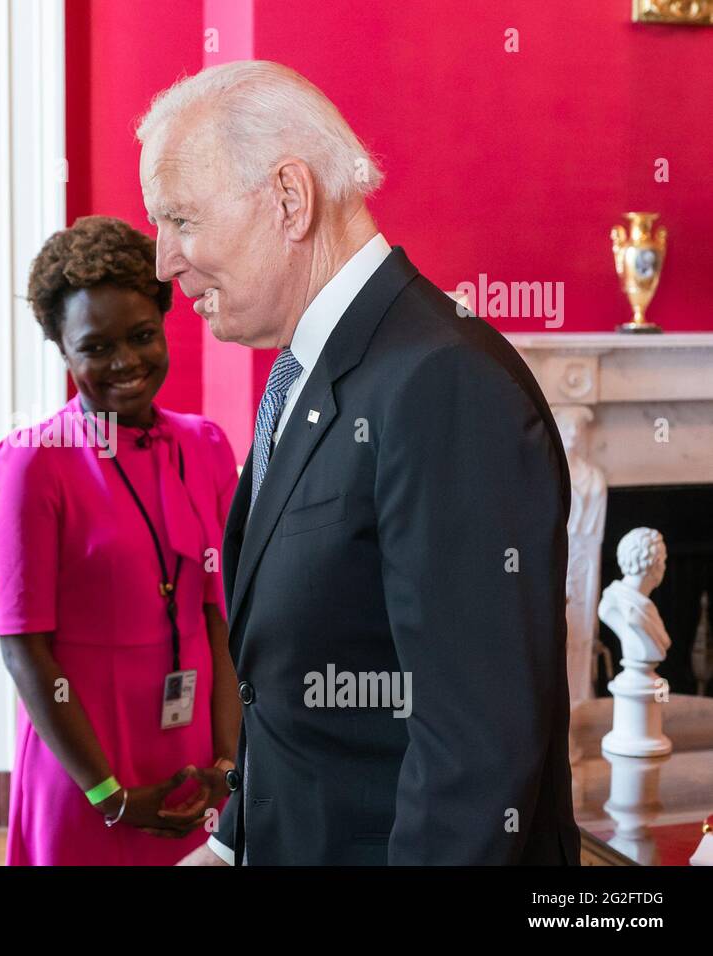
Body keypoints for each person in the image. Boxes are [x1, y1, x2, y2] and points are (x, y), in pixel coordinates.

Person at [136, 62, 580, 865]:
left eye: (181, 219)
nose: (165, 262)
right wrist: (231, 846)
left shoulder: (442, 383)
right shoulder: (314, 370)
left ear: (290, 198)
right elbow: (299, 695)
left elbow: (472, 764)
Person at [0, 215, 241, 865]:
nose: (126, 362)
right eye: (96, 347)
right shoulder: (33, 461)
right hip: (87, 765)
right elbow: (24, 650)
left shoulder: (205, 445)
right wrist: (110, 796)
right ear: (62, 349)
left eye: (141, 337)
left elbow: (220, 617)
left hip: (192, 761)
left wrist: (228, 762)